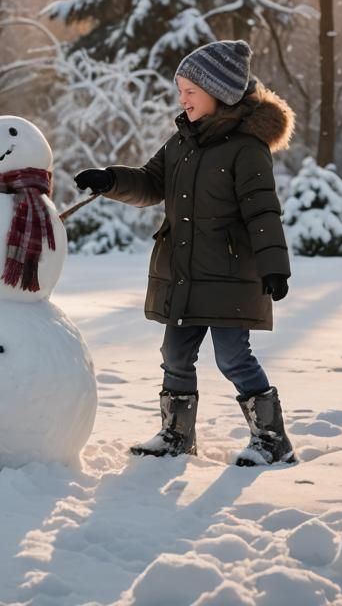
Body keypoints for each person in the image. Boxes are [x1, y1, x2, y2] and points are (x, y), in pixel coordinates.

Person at [74, 40, 297, 467]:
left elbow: (263, 212)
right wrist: (110, 180)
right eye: (180, 91)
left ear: (219, 92)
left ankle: (272, 438)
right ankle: (177, 434)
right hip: (185, 276)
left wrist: (274, 267)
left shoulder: (247, 149)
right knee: (175, 354)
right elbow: (148, 182)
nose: (183, 99)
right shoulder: (181, 143)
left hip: (231, 277)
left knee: (233, 356)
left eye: (190, 91)